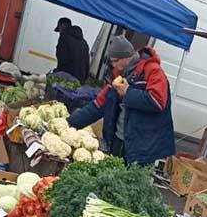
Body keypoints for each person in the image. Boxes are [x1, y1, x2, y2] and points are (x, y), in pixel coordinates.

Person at [69, 35, 175, 165]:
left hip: (142, 147)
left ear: (125, 57)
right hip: (118, 141)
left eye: (114, 61)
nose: (113, 65)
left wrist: (128, 93)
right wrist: (69, 123)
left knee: (132, 183)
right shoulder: (118, 75)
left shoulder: (153, 71)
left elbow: (158, 102)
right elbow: (98, 105)